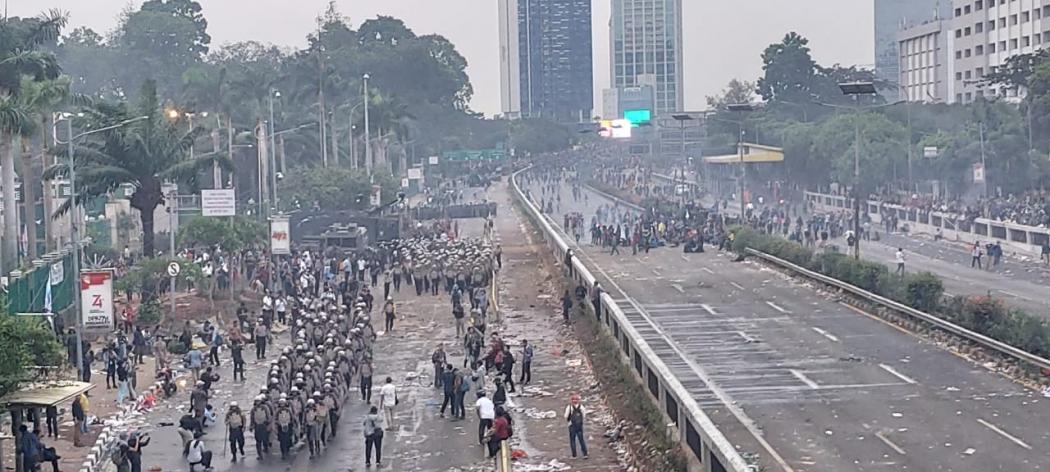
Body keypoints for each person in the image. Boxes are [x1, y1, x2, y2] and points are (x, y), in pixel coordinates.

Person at [564, 394, 588, 459]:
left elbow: (566, 416)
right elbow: (584, 415)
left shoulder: (569, 407)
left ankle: (574, 455)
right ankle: (585, 454)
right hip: (579, 425)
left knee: (572, 440)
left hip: (571, 425)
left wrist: (569, 420)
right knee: (581, 440)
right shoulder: (581, 407)